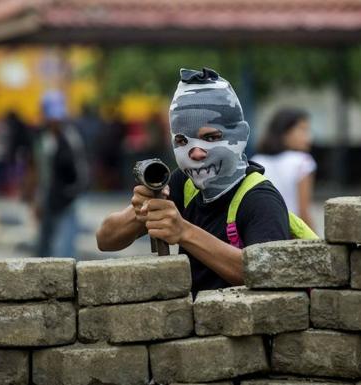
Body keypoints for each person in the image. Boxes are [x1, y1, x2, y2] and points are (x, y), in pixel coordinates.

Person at [96, 68, 291, 294]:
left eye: (211, 138)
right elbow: (105, 239)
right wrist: (139, 212)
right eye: (182, 141)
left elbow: (267, 274)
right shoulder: (185, 184)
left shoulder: (260, 199)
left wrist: (184, 232)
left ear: (240, 135)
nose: (196, 153)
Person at [33, 90, 89, 257]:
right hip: (47, 199)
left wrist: (71, 193)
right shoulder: (43, 139)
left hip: (66, 200)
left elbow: (81, 172)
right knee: (43, 248)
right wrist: (38, 198)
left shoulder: (70, 138)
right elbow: (41, 171)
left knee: (64, 251)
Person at [252, 108, 317, 228]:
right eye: (302, 130)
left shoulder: (256, 161)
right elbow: (303, 210)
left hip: (262, 229)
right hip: (291, 231)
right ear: (284, 132)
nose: (308, 137)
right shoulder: (302, 161)